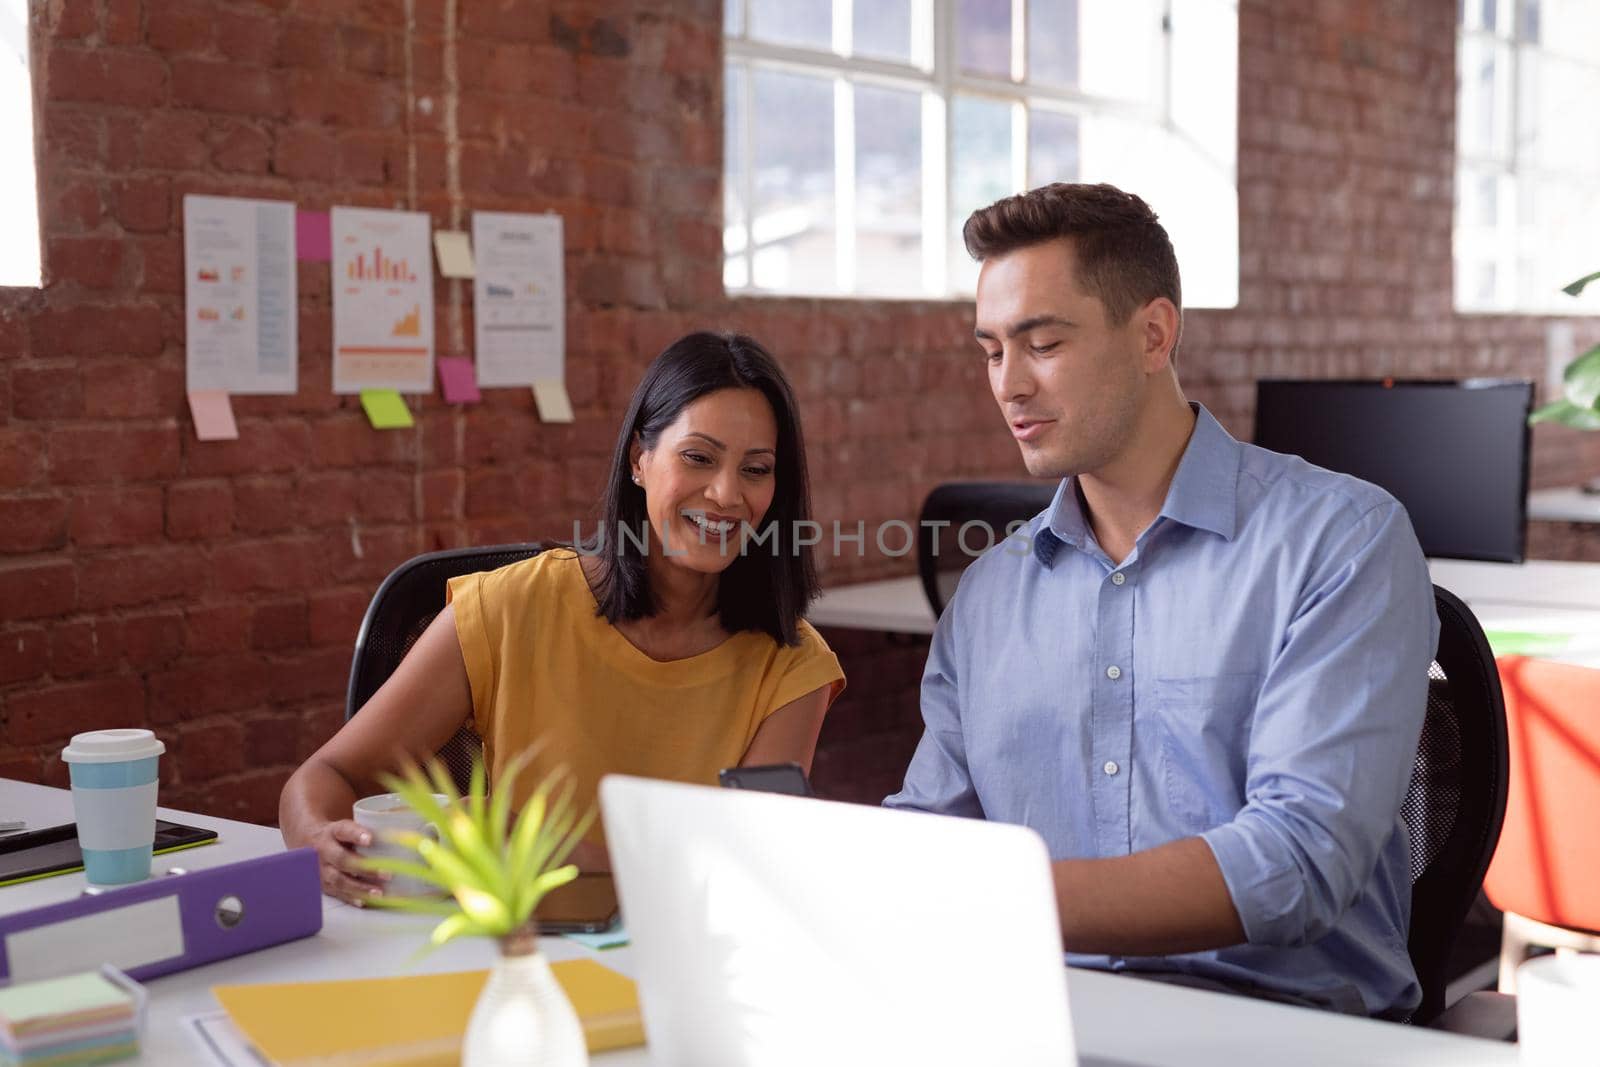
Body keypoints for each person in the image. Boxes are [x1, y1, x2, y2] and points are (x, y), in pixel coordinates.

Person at [885, 183, 1438, 1020]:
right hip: (1042, 1016)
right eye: (991, 350)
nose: (1009, 385)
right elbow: (932, 832)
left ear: (1153, 333)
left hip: (1280, 1028)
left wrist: (1002, 899)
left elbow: (1296, 860)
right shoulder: (990, 593)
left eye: (1041, 343)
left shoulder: (1342, 539)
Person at [282, 332, 846, 905]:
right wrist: (315, 841)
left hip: (673, 972)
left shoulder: (793, 666)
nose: (727, 494)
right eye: (699, 457)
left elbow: (742, 874)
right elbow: (328, 775)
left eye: (756, 469)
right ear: (639, 460)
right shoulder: (510, 608)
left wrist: (549, 848)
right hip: (492, 957)